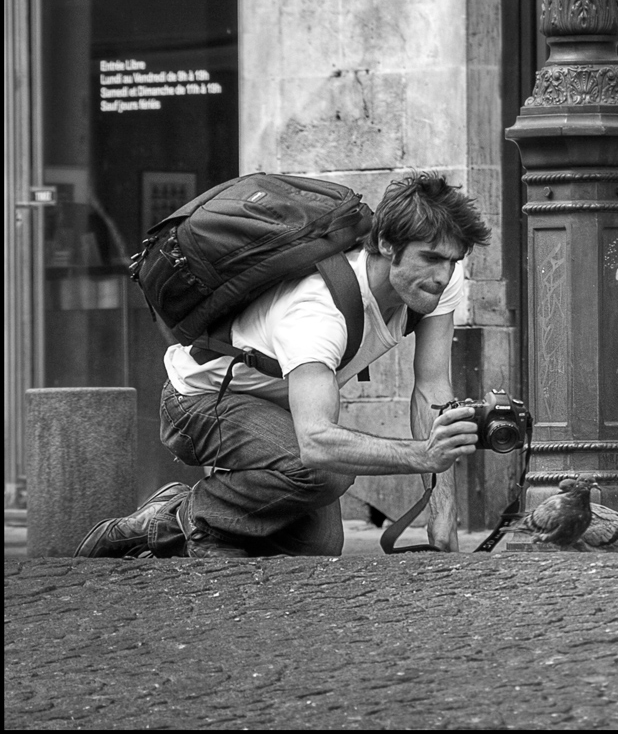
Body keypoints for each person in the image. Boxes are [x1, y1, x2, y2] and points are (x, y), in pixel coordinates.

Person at [76, 171, 491, 558]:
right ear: (387, 245)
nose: (442, 275)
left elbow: (431, 391)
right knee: (325, 474)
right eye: (432, 258)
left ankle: (211, 531)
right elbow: (316, 442)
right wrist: (422, 455)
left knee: (318, 548)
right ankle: (175, 516)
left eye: (453, 261)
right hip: (199, 402)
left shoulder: (436, 282)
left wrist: (442, 528)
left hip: (277, 411)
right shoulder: (318, 307)